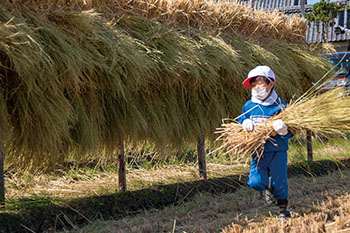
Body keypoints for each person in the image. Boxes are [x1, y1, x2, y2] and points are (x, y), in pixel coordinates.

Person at [238, 65, 293, 219]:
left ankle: (283, 209)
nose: (256, 88)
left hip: (277, 149)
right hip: (259, 150)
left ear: (270, 84)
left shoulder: (281, 106)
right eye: (253, 85)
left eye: (259, 84)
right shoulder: (249, 106)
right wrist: (244, 122)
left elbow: (293, 129)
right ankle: (268, 188)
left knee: (279, 181)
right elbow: (241, 119)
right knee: (255, 182)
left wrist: (284, 130)